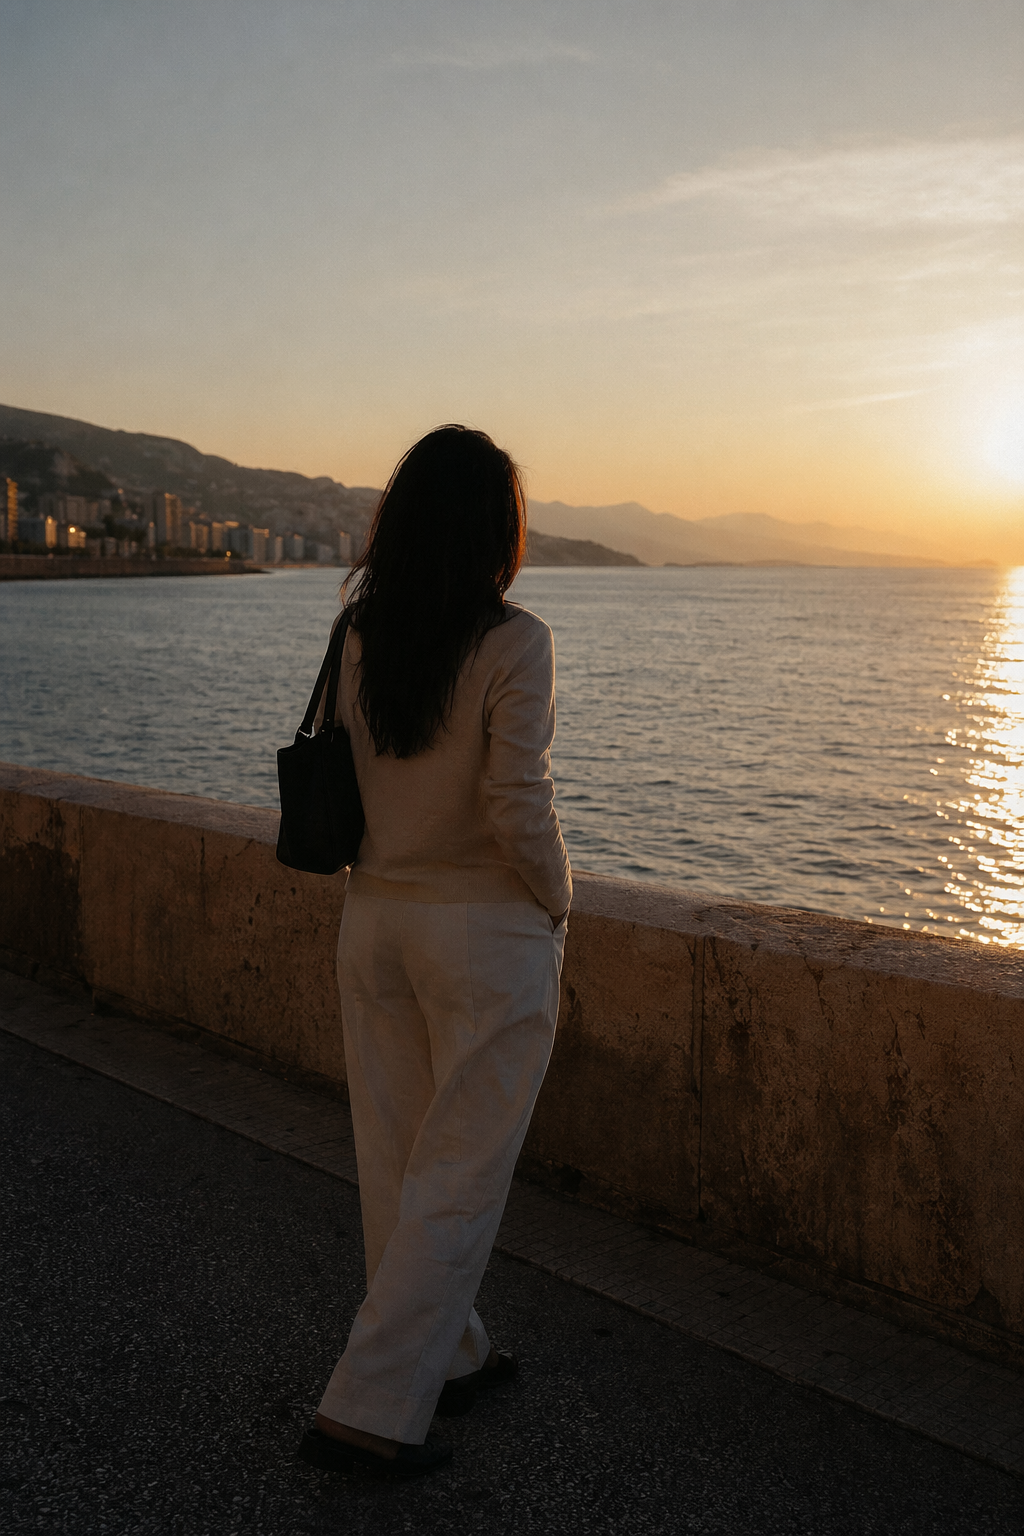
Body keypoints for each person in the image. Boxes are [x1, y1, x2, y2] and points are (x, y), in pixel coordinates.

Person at [299, 425, 572, 1480]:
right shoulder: (514, 641)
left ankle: (447, 1356)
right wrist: (556, 902)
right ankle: (366, 1413)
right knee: (459, 1174)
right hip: (482, 932)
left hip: (375, 922)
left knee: (400, 1162)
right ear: (496, 529)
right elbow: (516, 802)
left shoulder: (358, 630)